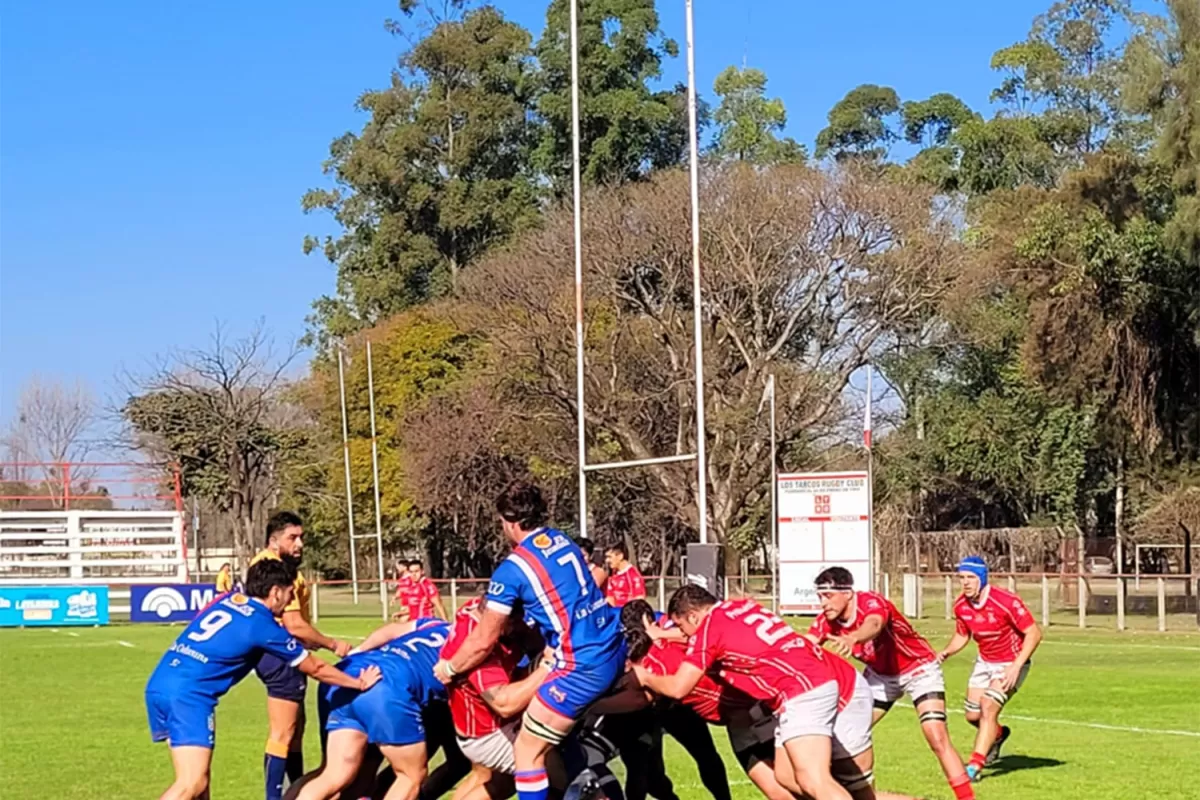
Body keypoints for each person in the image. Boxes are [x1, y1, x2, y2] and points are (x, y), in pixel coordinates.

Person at [434, 481, 626, 800]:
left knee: (528, 752)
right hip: (610, 647)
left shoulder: (512, 570)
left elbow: (484, 639)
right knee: (561, 746)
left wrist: (450, 668)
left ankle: (590, 789)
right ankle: (592, 788)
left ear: (509, 521)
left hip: (581, 664)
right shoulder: (561, 539)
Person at [636, 585, 910, 800]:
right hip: (804, 686)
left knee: (816, 781)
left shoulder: (709, 628)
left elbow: (678, 687)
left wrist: (644, 676)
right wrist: (662, 635)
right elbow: (702, 638)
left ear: (693, 616)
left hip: (804, 688)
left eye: (682, 626)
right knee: (787, 777)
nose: (684, 634)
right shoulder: (739, 607)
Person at [144, 559, 381, 800]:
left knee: (200, 782)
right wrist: (358, 683)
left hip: (160, 684)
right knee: (191, 783)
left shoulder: (230, 600)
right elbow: (316, 668)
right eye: (290, 594)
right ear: (275, 592)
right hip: (188, 696)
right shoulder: (263, 625)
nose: (290, 600)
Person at [807, 567, 975, 800]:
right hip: (879, 678)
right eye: (819, 597)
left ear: (847, 593)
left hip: (919, 669)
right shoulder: (827, 621)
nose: (823, 603)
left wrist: (853, 637)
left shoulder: (871, 603)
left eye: (828, 596)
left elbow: (874, 624)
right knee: (841, 740)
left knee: (936, 735)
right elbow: (805, 647)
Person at [250, 511, 353, 800]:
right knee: (283, 732)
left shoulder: (269, 564)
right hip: (281, 652)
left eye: (301, 537)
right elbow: (294, 625)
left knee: (294, 731)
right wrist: (332, 644)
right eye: (292, 538)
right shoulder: (277, 571)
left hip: (283, 650)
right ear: (274, 540)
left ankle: (299, 790)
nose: (300, 544)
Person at [297, 617, 456, 800]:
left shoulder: (438, 625)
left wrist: (358, 651)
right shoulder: (474, 644)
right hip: (386, 685)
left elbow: (390, 631)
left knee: (334, 775)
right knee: (411, 776)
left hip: (350, 670)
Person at [939, 556, 1043, 783]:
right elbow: (962, 634)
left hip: (1011, 663)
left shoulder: (1006, 601)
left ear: (982, 579)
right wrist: (946, 652)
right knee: (972, 715)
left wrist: (1016, 666)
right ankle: (997, 734)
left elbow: (1034, 633)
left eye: (970, 578)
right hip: (984, 662)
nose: (965, 583)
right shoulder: (961, 605)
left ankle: (974, 766)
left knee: (988, 707)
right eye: (961, 578)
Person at [442, 597, 557, 800]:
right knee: (556, 770)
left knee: (502, 784)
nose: (518, 627)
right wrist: (547, 666)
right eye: (513, 622)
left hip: (482, 723)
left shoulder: (481, 608)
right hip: (489, 733)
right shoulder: (479, 651)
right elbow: (504, 704)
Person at [604, 543, 645, 607]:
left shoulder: (632, 575)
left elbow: (639, 600)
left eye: (610, 557)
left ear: (620, 556)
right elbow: (610, 597)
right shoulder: (613, 574)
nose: (607, 560)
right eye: (606, 557)